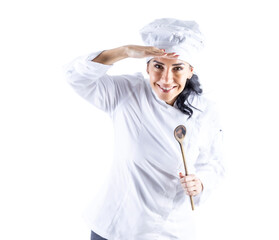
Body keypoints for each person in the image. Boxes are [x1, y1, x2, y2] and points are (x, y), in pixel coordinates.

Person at [65, 18, 225, 240]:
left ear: (190, 71)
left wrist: (200, 183)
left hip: (170, 229)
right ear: (147, 67)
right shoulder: (127, 93)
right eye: (158, 66)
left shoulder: (205, 111)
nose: (166, 79)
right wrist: (123, 51)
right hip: (116, 226)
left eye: (177, 68)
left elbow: (214, 163)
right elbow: (76, 76)